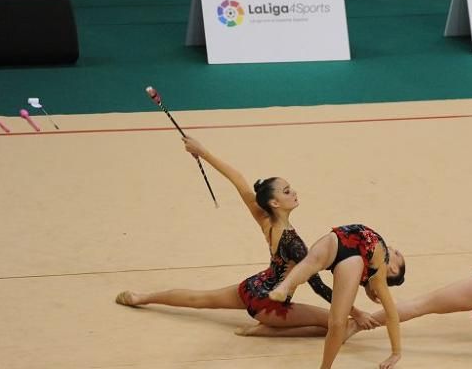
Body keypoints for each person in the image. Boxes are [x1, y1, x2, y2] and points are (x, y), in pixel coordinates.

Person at [115, 137, 366, 336]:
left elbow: (238, 180)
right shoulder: (294, 244)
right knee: (338, 324)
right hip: (271, 307)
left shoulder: (265, 219)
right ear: (275, 202)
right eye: (287, 191)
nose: (294, 193)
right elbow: (318, 286)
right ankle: (268, 331)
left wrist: (203, 152)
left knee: (198, 298)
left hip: (252, 288)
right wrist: (355, 311)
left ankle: (142, 297)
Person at [266, 224, 406, 369]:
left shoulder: (380, 273)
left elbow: (392, 315)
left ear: (394, 268)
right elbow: (389, 311)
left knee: (338, 322)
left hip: (343, 242)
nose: (394, 248)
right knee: (312, 262)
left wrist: (396, 352)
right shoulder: (374, 272)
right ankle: (284, 287)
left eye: (397, 254)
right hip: (343, 241)